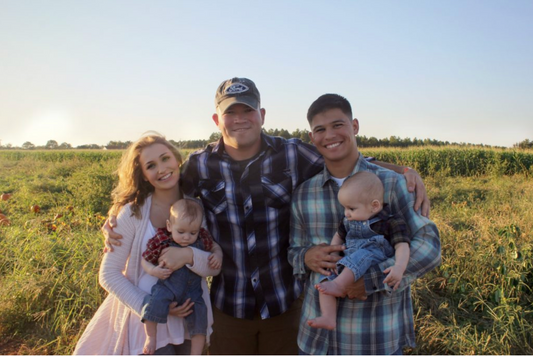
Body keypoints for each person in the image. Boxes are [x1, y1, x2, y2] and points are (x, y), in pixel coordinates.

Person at [103, 78, 430, 355]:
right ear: (217, 121)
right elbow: (165, 193)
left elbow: (341, 157)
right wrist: (118, 215)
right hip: (228, 306)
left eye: (248, 110)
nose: (240, 118)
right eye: (231, 112)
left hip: (284, 305)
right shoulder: (200, 165)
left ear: (261, 115)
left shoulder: (291, 153)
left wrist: (402, 170)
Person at [289, 93, 441, 355]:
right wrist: (306, 256)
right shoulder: (304, 193)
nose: (330, 135)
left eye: (338, 125)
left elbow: (429, 246)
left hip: (374, 338)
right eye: (320, 130)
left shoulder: (392, 184)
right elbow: (293, 250)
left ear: (355, 126)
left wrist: (370, 279)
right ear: (312, 137)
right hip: (316, 341)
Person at [74, 134, 219, 355]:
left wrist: (189, 255)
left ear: (177, 159)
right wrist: (151, 306)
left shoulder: (195, 208)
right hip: (148, 328)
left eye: (165, 158)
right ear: (143, 175)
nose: (161, 169)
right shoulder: (132, 213)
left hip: (189, 322)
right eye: (151, 165)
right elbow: (108, 274)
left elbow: (211, 266)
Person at [308, 171, 410, 330]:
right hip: (350, 259)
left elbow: (402, 245)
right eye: (344, 208)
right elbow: (338, 236)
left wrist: (399, 267)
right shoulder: (348, 221)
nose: (346, 213)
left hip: (373, 256)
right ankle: (328, 316)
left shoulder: (390, 222)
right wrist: (334, 256)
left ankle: (340, 285)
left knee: (363, 254)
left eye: (351, 208)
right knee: (324, 279)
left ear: (374, 205)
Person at [141, 198, 223, 355]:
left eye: (193, 233)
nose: (186, 237)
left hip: (193, 292)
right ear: (169, 226)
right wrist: (153, 271)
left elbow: (213, 246)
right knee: (153, 303)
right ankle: (150, 337)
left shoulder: (202, 239)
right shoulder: (162, 240)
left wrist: (217, 255)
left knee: (200, 319)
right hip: (168, 287)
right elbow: (145, 259)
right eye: (181, 232)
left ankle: (196, 353)